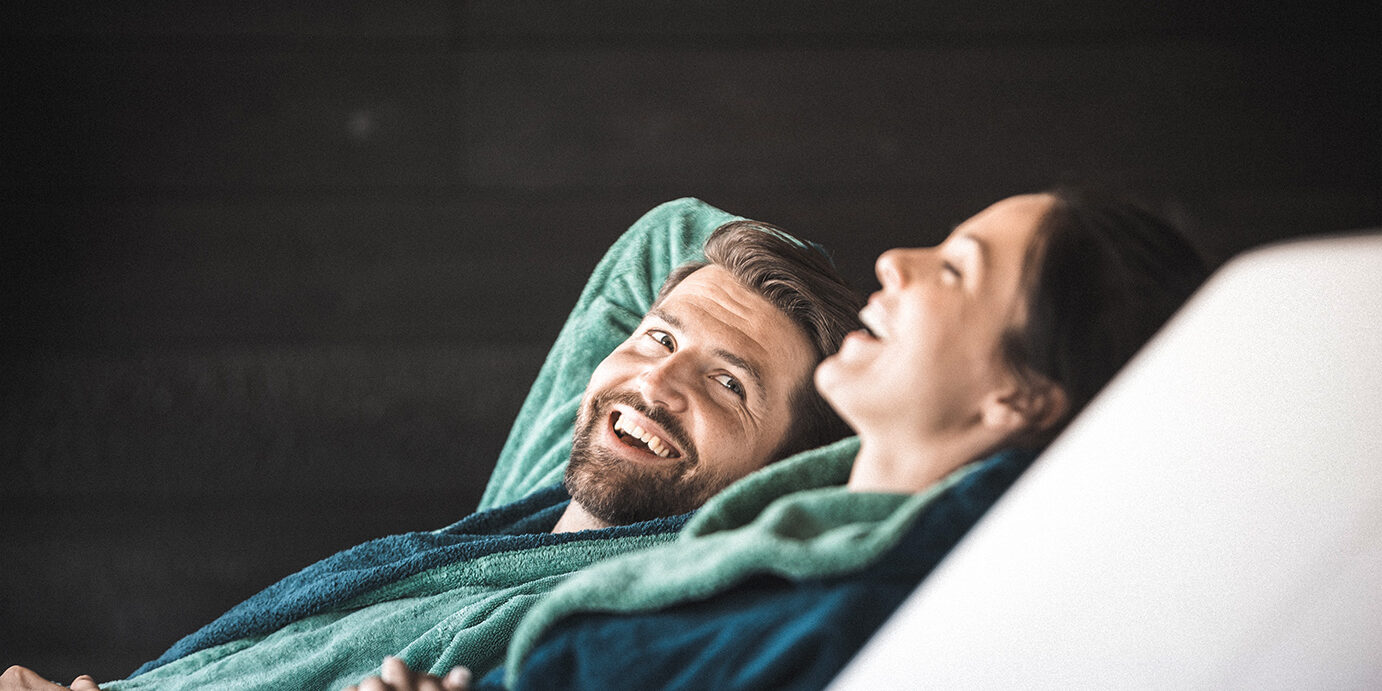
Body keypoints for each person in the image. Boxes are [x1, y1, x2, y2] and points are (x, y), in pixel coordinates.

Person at [347, 188, 1211, 691]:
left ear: (1018, 398)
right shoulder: (799, 522)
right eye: (658, 339)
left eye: (955, 269)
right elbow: (674, 237)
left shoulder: (864, 613)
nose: (896, 261)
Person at [0, 198, 862, 691]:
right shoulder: (527, 513)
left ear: (787, 472)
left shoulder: (631, 623)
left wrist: (872, 389)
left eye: (729, 385)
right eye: (658, 337)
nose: (657, 386)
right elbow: (670, 236)